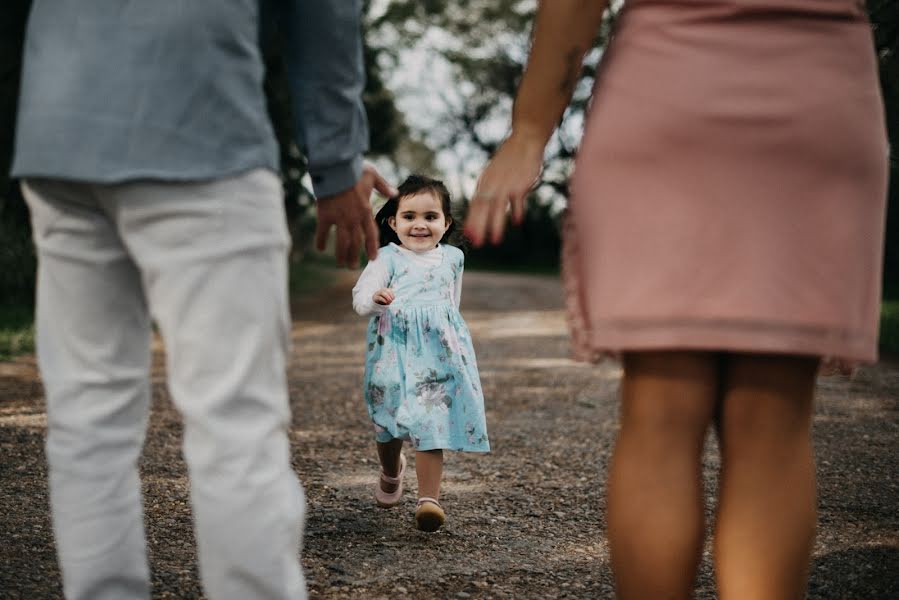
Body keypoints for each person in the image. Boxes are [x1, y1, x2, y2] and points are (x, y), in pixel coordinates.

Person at [468, 1, 888, 598]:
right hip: (816, 89)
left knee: (662, 410)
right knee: (774, 421)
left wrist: (531, 129)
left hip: (669, 86)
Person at [11, 1, 394, 599]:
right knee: (233, 417)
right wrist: (337, 165)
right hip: (199, 120)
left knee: (87, 416)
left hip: (59, 125)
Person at [352, 175, 490, 532]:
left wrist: (453, 345)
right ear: (393, 222)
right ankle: (390, 468)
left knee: (431, 421)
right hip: (392, 353)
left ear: (446, 224)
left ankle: (429, 499)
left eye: (430, 216)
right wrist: (375, 300)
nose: (420, 224)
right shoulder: (386, 258)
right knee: (389, 422)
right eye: (410, 216)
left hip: (437, 355)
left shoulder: (454, 259)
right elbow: (361, 296)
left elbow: (451, 305)